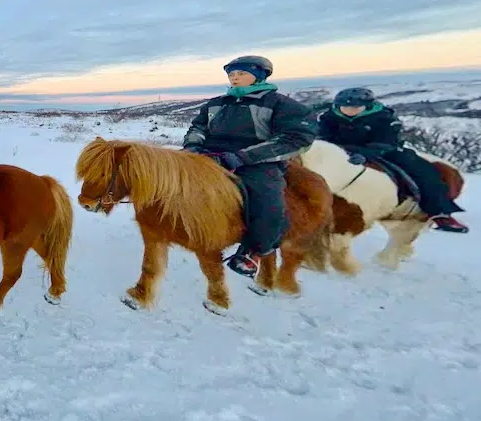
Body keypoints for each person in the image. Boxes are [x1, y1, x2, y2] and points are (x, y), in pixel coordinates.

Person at [182, 55, 316, 277]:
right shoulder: (216, 103)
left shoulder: (281, 104)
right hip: (208, 155)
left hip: (256, 162)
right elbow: (198, 128)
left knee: (267, 200)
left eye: (241, 73)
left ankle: (254, 249)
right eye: (231, 74)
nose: (234, 78)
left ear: (260, 76)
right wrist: (192, 148)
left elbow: (295, 139)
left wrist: (241, 157)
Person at [318, 87, 468, 233]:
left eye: (355, 108)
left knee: (424, 172)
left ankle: (440, 213)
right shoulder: (328, 117)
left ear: (367, 106)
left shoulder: (384, 118)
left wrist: (365, 154)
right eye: (344, 107)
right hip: (339, 151)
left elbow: (385, 142)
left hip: (384, 151)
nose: (349, 111)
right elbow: (322, 137)